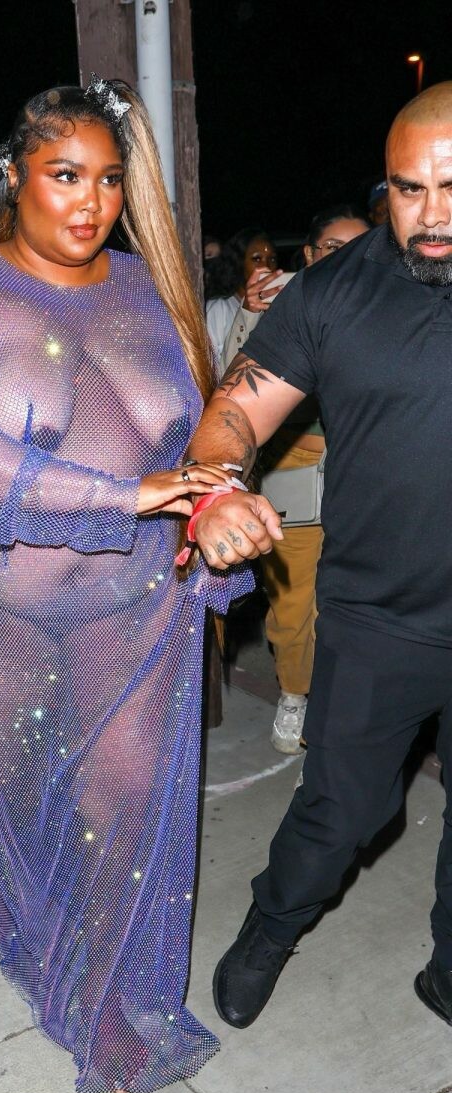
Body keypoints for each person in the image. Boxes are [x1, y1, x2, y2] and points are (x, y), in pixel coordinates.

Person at [0, 76, 252, 1093]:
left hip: (131, 604)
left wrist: (215, 499)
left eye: (109, 180)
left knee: (122, 797)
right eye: (65, 175)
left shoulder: (144, 287)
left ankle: (106, 1002)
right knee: (9, 784)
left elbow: (196, 435)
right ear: (15, 176)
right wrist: (127, 494)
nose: (90, 202)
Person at [183, 80, 452, 1033]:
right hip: (381, 620)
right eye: (410, 190)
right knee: (343, 812)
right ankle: (271, 926)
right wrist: (218, 487)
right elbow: (233, 411)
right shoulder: (333, 294)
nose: (432, 216)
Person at [223, 205, 370, 753]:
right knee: (293, 607)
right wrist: (249, 313)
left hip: (366, 478)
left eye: (360, 247)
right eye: (333, 248)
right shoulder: (283, 302)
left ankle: (349, 708)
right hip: (297, 474)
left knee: (359, 605)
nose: (347, 259)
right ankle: (295, 693)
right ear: (309, 255)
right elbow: (232, 394)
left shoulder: (389, 303)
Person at [204, 227, 279, 365]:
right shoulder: (219, 308)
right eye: (257, 259)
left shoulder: (278, 309)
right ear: (239, 262)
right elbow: (213, 368)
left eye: (272, 259)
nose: (266, 266)